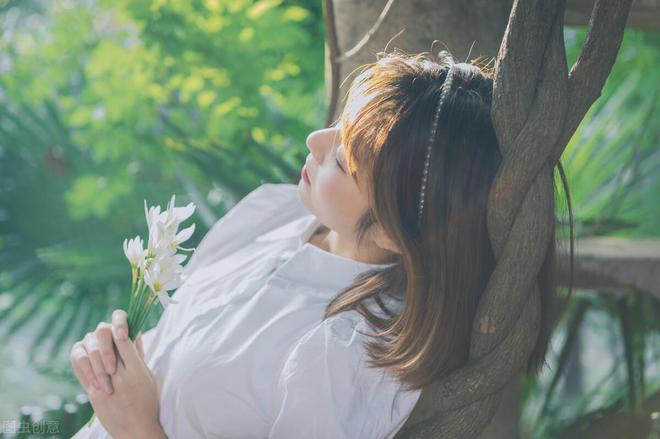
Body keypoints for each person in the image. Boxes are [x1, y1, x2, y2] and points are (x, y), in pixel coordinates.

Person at [69, 49, 561, 438]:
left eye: (343, 160)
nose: (314, 139)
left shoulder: (347, 357)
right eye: (339, 124)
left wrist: (137, 429)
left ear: (393, 230)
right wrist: (122, 368)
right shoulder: (275, 214)